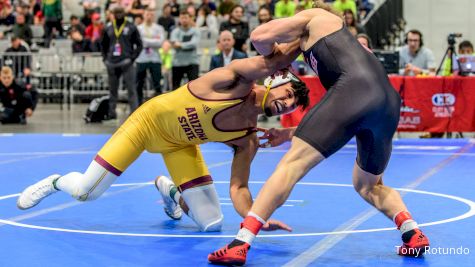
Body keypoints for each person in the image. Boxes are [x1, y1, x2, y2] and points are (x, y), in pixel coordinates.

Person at [209, 2, 430, 265]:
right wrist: (293, 132)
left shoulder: (315, 17)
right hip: (388, 103)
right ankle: (412, 232)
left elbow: (260, 37)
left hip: (355, 90)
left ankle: (240, 242)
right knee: (369, 184)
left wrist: (275, 61)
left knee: (291, 165)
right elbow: (344, 118)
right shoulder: (348, 43)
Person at [16, 39, 310, 235]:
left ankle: (170, 191)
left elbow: (239, 188)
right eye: (287, 95)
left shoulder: (247, 138)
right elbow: (271, 60)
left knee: (212, 223)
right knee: (85, 192)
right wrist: (307, 32)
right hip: (145, 125)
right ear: (277, 79)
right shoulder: (235, 81)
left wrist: (254, 220)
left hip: (180, 146)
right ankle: (55, 181)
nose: (286, 104)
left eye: (291, 105)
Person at [101, 6, 143, 119]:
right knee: (112, 90)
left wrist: (132, 58)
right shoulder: (108, 28)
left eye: (121, 12)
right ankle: (111, 113)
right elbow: (103, 45)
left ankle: (134, 114)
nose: (119, 14)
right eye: (116, 12)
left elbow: (139, 45)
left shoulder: (131, 27)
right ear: (113, 14)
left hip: (126, 63)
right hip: (112, 63)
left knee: (131, 89)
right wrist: (105, 59)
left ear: (124, 14)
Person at [136, 8, 165, 104]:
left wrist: (146, 41)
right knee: (139, 83)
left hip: (155, 59)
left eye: (151, 15)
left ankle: (159, 105)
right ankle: (138, 104)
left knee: (157, 83)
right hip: (141, 59)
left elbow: (160, 43)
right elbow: (139, 42)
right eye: (147, 14)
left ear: (154, 16)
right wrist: (153, 40)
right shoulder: (138, 28)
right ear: (144, 15)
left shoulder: (159, 28)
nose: (149, 16)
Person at [170, 9, 200, 89]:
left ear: (190, 19)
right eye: (182, 18)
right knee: (175, 89)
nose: (184, 20)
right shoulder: (175, 31)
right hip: (177, 63)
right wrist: (187, 44)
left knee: (194, 88)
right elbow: (174, 44)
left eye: (186, 18)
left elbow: (194, 44)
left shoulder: (196, 31)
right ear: (179, 19)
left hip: (192, 62)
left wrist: (180, 44)